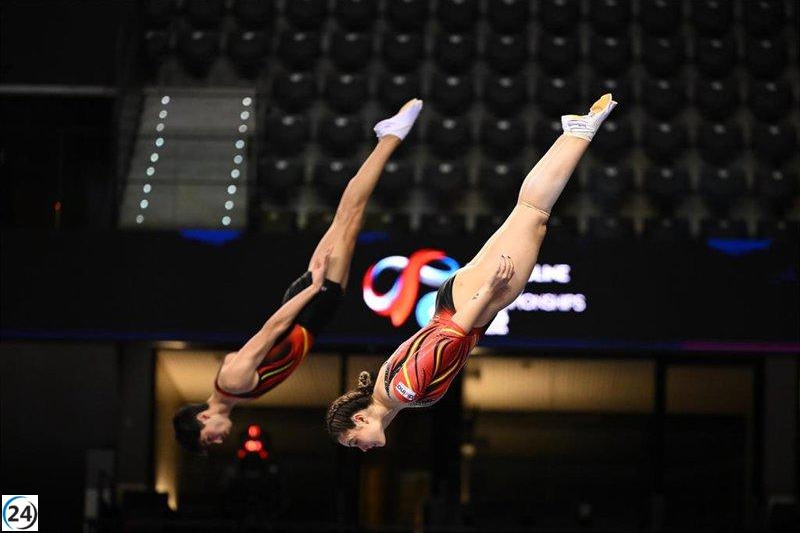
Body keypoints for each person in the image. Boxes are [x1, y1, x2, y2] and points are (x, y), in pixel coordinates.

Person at [326, 94, 618, 451]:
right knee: (529, 212)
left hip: (468, 306)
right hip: (456, 301)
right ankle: (575, 131)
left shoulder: (402, 392)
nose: (362, 448)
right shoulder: (387, 394)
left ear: (360, 419)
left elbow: (447, 337)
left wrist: (489, 291)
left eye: (354, 442)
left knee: (535, 213)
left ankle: (582, 131)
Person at [173, 98, 424, 453]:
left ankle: (390, 137)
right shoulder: (234, 394)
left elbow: (272, 328)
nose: (217, 440)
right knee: (348, 217)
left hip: (308, 305)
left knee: (350, 214)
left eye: (207, 438)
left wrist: (312, 289)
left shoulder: (232, 381)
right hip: (313, 311)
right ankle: (389, 138)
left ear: (201, 419)